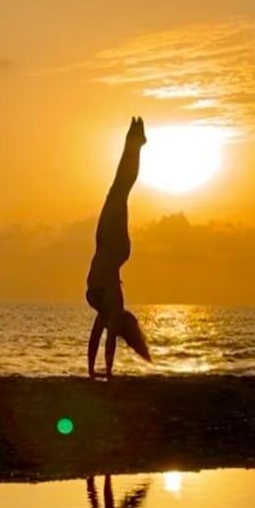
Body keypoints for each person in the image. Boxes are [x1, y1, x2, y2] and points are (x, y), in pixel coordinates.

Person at [86, 117, 152, 378]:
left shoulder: (106, 312)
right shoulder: (113, 307)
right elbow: (107, 341)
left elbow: (95, 339)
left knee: (118, 189)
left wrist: (93, 372)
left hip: (105, 245)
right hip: (113, 249)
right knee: (120, 190)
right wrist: (108, 373)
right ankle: (135, 143)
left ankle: (135, 143)